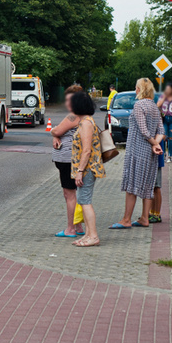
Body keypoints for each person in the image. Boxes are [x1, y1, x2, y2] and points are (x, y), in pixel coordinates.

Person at [112, 78, 164, 229]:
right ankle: (144, 218)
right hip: (151, 153)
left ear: (139, 90)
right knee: (148, 185)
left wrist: (154, 144)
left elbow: (143, 130)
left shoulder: (139, 105)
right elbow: (161, 131)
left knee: (131, 186)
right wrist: (156, 145)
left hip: (137, 150)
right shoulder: (155, 107)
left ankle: (126, 219)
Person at [67, 91, 106, 247]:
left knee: (85, 201)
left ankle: (93, 236)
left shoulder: (86, 123)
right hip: (87, 168)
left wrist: (80, 171)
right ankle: (88, 235)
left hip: (87, 168)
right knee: (83, 201)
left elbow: (87, 150)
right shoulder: (86, 121)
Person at [50, 85, 86, 238]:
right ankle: (77, 226)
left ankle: (70, 228)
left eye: (70, 100)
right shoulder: (82, 115)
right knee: (72, 194)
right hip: (70, 159)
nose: (67, 103)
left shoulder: (73, 116)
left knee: (69, 194)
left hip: (68, 160)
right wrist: (57, 135)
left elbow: (56, 130)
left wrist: (55, 134)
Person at [157, 82, 172, 163]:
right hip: (164, 119)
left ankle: (170, 156)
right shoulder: (162, 97)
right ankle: (163, 154)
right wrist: (164, 97)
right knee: (163, 137)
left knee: (171, 138)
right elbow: (158, 105)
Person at [150, 134, 167, 224]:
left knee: (156, 187)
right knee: (151, 188)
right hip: (154, 158)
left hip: (156, 159)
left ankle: (157, 214)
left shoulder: (158, 125)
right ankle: (152, 212)